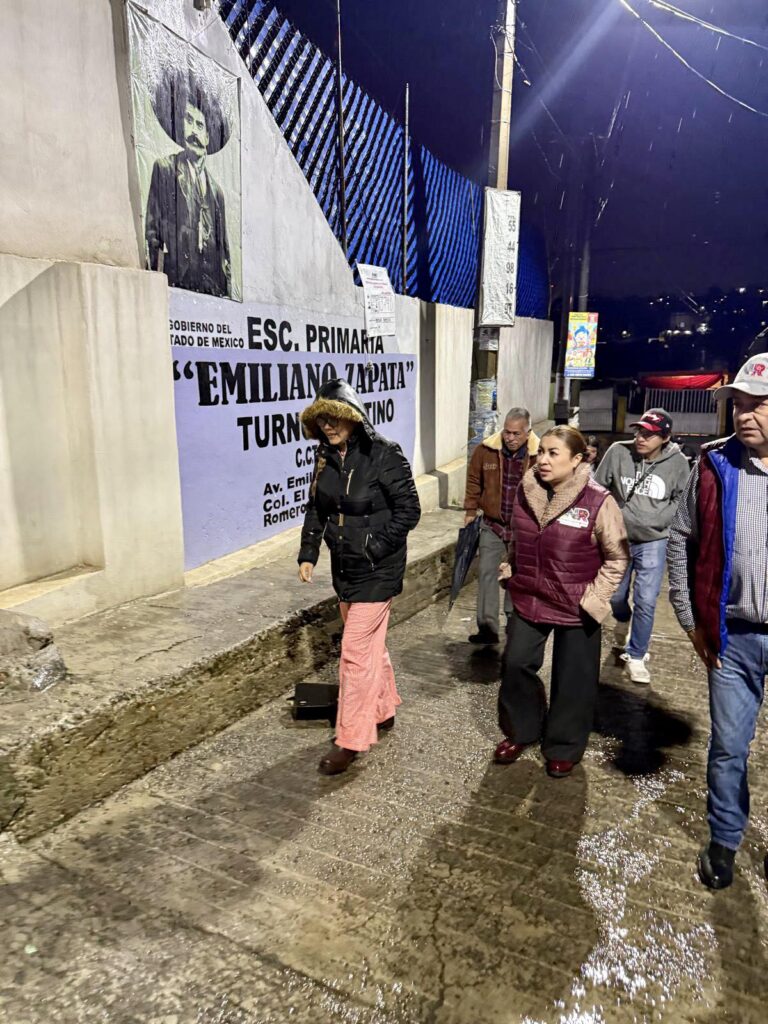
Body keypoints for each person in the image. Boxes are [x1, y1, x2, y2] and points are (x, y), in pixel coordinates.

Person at [668, 353, 768, 889]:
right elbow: (681, 537)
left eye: (759, 405)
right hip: (732, 637)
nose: (745, 416)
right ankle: (725, 839)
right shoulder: (712, 465)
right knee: (729, 747)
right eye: (739, 406)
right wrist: (690, 621)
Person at [297, 379, 421, 775]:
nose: (328, 426)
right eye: (321, 420)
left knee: (354, 653)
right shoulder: (324, 458)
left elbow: (409, 510)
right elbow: (317, 508)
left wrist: (374, 547)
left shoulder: (385, 454)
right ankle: (383, 709)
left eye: (334, 417)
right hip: (345, 568)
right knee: (370, 649)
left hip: (377, 569)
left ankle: (350, 738)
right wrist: (309, 553)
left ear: (353, 417)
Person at [495, 427, 629, 777]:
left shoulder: (598, 500)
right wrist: (512, 565)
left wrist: (596, 597)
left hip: (577, 603)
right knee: (515, 664)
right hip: (529, 594)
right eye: (541, 452)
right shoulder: (526, 491)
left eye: (553, 453)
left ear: (577, 459)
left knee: (574, 680)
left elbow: (617, 557)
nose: (543, 459)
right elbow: (518, 536)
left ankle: (564, 746)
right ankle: (523, 729)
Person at [594, 409, 690, 683]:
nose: (641, 438)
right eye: (639, 432)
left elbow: (682, 499)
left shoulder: (678, 463)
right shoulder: (618, 452)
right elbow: (598, 488)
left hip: (654, 541)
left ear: (665, 437)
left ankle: (636, 655)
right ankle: (623, 619)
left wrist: (658, 520)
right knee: (615, 596)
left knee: (646, 600)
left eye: (650, 434)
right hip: (619, 538)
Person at [146, 72, 232, 297]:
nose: (194, 131)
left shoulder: (217, 192)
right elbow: (152, 235)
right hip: (175, 285)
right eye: (189, 121)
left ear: (207, 137)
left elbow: (224, 251)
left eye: (200, 125)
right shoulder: (165, 169)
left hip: (210, 289)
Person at [463, 408, 539, 645]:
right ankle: (487, 628)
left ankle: (514, 624)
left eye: (516, 433)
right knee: (486, 574)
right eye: (507, 432)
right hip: (492, 524)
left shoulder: (538, 455)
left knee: (516, 576)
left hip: (523, 529)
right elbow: (474, 480)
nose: (510, 438)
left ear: (528, 433)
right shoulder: (486, 450)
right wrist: (470, 510)